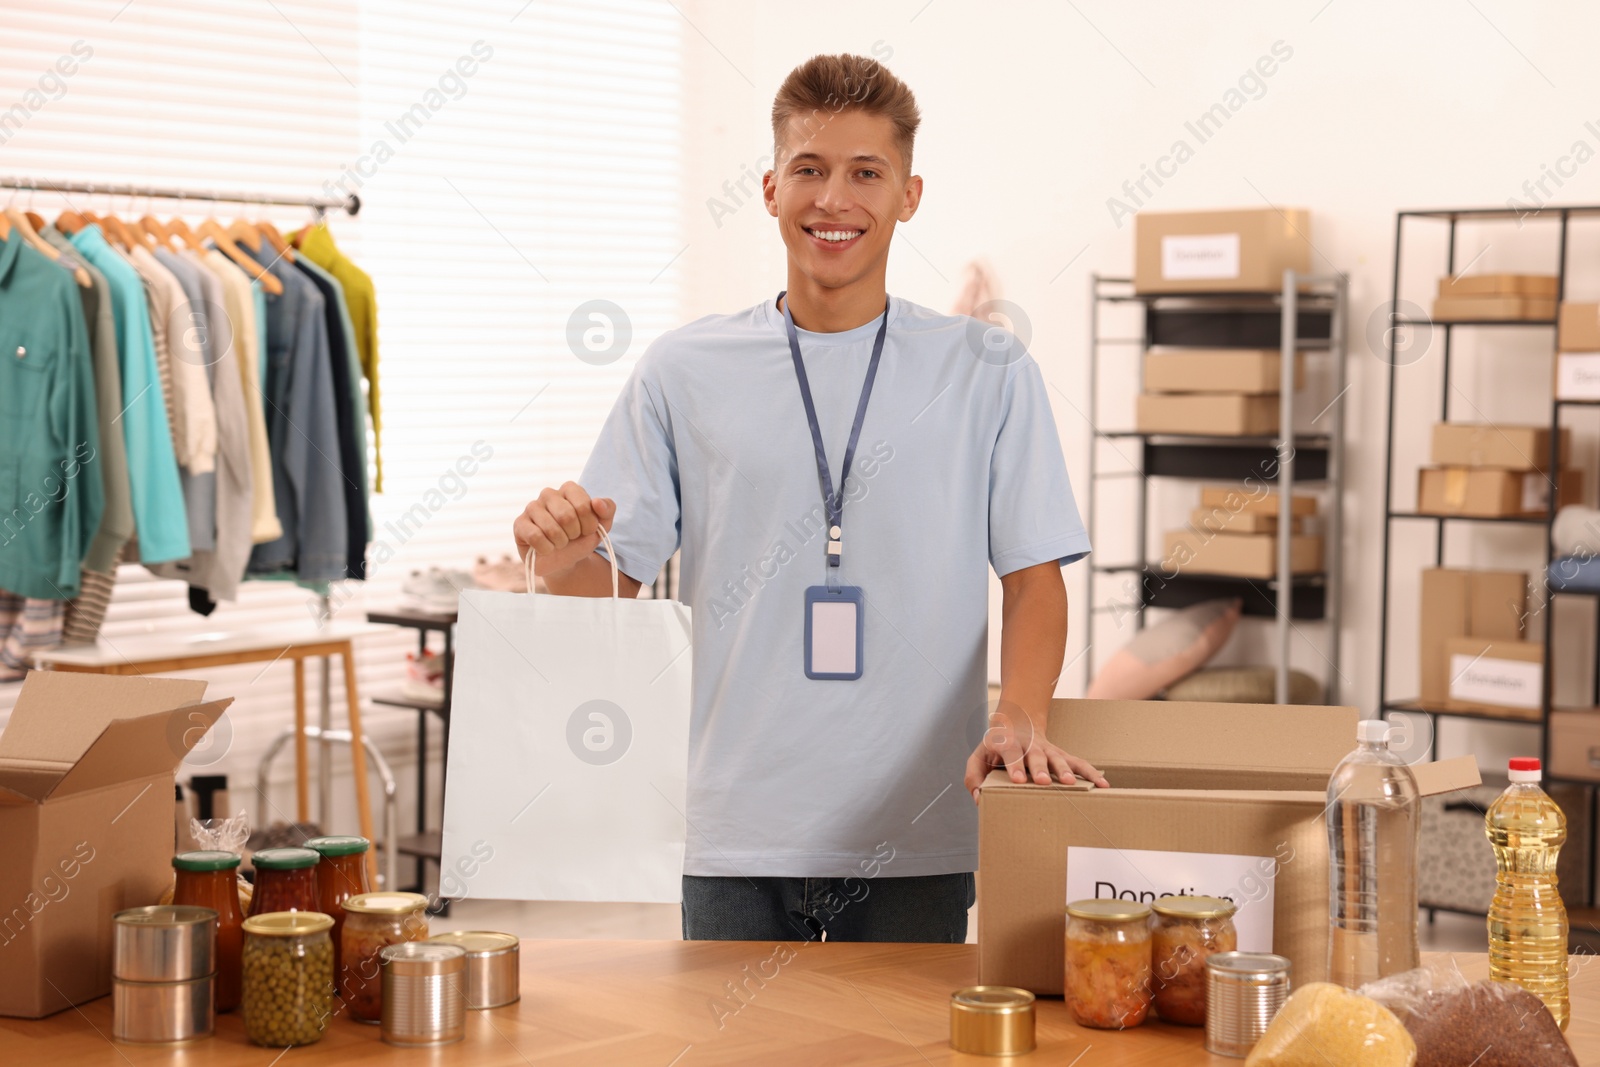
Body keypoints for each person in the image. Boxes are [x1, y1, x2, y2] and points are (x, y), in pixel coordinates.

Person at [514, 52, 1100, 943]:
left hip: (917, 831)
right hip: (732, 833)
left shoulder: (988, 371)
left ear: (908, 194)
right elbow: (610, 592)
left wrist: (1021, 712)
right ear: (769, 189)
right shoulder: (683, 370)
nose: (835, 200)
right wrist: (557, 563)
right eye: (810, 170)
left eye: (867, 172)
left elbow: (1033, 575)